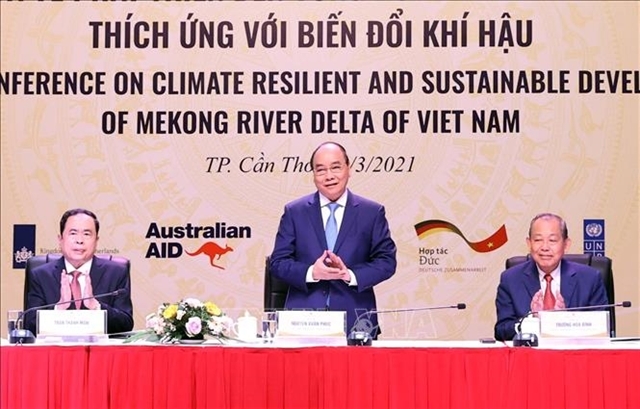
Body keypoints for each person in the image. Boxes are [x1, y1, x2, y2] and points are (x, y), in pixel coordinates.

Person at [269, 142, 397, 338]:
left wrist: (350, 275)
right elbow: (278, 263)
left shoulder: (371, 212)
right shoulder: (295, 212)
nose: (329, 176)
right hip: (302, 323)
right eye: (321, 170)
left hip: (356, 321)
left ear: (348, 169)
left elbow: (386, 262)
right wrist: (312, 272)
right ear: (313, 175)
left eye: (336, 167)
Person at [494, 213, 608, 341]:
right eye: (538, 240)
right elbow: (501, 330)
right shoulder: (510, 279)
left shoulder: (590, 278)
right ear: (529, 243)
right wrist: (531, 321)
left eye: (552, 240)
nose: (545, 247)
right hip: (529, 353)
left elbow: (601, 329)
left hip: (573, 352)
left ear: (566, 244)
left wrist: (564, 321)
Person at [24, 208, 134, 335]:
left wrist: (95, 306)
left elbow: (126, 324)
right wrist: (59, 308)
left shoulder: (116, 273)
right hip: (57, 347)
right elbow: (29, 324)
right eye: (73, 233)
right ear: (60, 239)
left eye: (87, 234)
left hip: (99, 347)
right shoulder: (40, 275)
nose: (79, 240)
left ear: (96, 241)